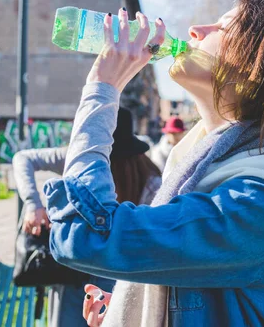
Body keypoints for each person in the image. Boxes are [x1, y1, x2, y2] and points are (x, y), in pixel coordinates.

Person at [46, 0, 264, 327]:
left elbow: (83, 234)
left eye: (223, 27)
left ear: (263, 68)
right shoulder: (203, 165)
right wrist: (131, 307)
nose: (195, 30)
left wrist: (102, 91)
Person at [12, 107, 161, 327]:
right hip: (83, 271)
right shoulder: (82, 160)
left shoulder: (150, 182)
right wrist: (33, 204)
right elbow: (22, 158)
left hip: (106, 273)